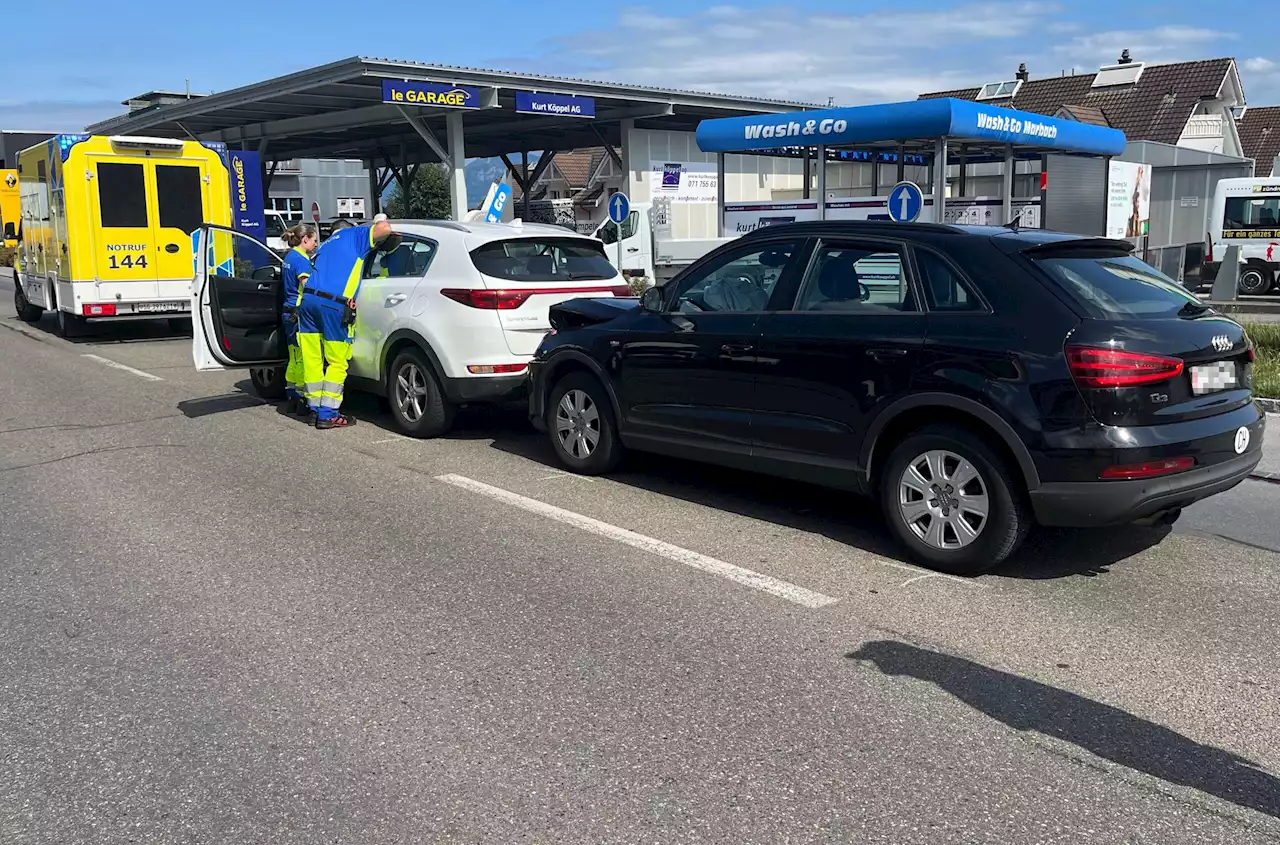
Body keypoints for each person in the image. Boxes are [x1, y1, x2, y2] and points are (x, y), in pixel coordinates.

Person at [296, 218, 397, 429]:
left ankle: (314, 409)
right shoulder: (356, 235)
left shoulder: (326, 245)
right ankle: (328, 413)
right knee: (337, 360)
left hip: (308, 301)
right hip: (332, 304)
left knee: (312, 358)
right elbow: (384, 228)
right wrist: (374, 227)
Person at [280, 223, 318, 416]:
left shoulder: (289, 257)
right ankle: (303, 398)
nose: (316, 245)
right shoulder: (302, 261)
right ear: (305, 239)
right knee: (304, 357)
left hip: (288, 311)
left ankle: (291, 394)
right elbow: (307, 286)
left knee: (294, 355)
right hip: (299, 311)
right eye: (314, 240)